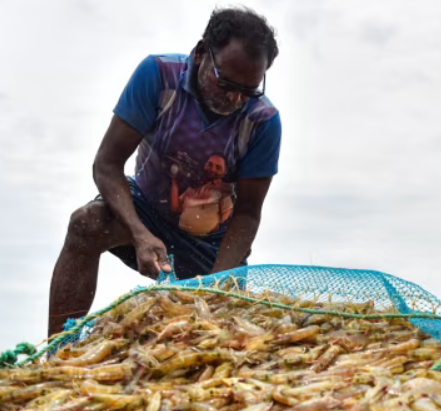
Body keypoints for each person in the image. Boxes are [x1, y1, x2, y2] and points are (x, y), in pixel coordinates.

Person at [48, 8, 282, 336]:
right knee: (86, 223)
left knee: (215, 336)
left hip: (212, 244)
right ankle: (58, 349)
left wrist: (216, 286)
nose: (234, 98)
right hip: (145, 214)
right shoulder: (158, 77)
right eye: (225, 83)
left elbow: (247, 214)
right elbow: (107, 164)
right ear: (201, 53)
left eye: (249, 90)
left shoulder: (262, 122)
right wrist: (139, 233)